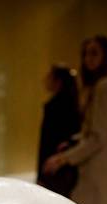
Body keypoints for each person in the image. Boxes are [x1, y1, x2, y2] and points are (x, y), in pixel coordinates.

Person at [43, 35, 107, 204]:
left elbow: (98, 136)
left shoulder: (104, 87)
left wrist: (63, 159)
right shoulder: (98, 86)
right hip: (96, 163)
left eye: (95, 53)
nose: (89, 59)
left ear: (106, 56)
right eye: (86, 54)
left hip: (97, 167)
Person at [36, 64, 80, 197]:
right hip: (59, 167)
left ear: (58, 81)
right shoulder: (70, 103)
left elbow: (48, 141)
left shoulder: (58, 106)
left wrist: (42, 175)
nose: (45, 80)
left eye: (49, 77)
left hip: (54, 168)